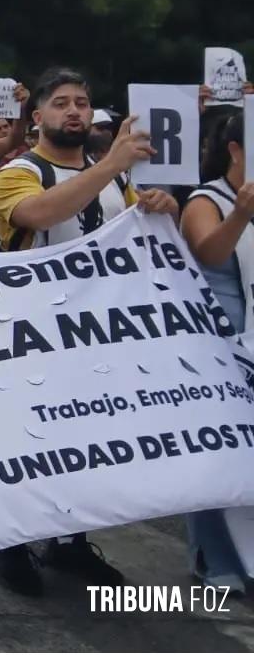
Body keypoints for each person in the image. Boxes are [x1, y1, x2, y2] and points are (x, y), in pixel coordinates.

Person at [0, 66, 177, 595]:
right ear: (38, 115)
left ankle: (69, 543)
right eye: (62, 103)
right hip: (34, 331)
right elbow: (43, 211)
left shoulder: (115, 177)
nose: (74, 111)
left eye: (82, 103)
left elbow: (143, 234)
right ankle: (12, 546)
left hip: (97, 333)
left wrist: (164, 206)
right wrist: (110, 165)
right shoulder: (19, 172)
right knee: (30, 442)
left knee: (85, 441)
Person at [173, 111, 252, 593]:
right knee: (219, 453)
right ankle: (214, 557)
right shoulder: (207, 199)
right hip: (221, 347)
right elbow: (209, 253)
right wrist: (242, 212)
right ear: (236, 150)